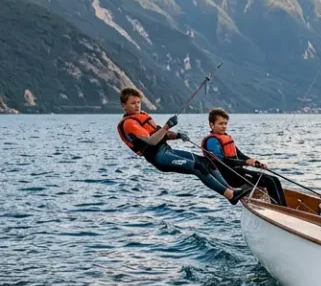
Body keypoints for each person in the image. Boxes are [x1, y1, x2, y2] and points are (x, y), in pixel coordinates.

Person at [115, 88, 250, 204]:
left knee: (206, 161)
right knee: (197, 167)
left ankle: (230, 188)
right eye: (133, 103)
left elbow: (161, 134)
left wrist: (178, 135)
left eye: (139, 102)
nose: (137, 106)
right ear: (123, 105)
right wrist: (167, 126)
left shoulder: (142, 116)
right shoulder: (129, 123)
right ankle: (230, 195)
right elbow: (152, 141)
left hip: (167, 151)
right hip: (160, 158)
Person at [202, 108, 287, 206]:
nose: (224, 126)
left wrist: (255, 163)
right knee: (269, 181)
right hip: (229, 177)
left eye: (225, 123)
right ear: (211, 124)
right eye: (220, 124)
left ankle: (283, 207)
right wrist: (245, 163)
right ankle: (278, 208)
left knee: (274, 179)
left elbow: (240, 155)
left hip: (238, 172)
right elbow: (224, 162)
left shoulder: (226, 138)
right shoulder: (212, 141)